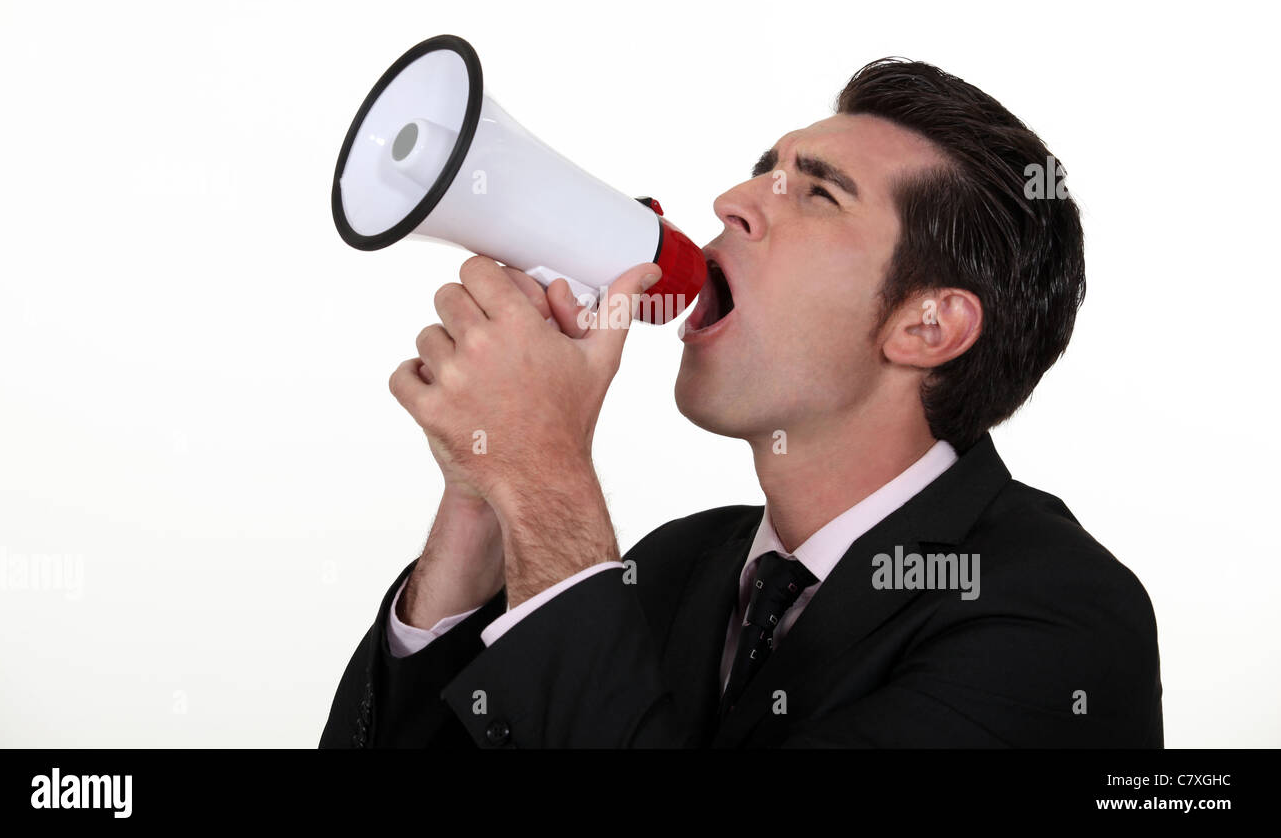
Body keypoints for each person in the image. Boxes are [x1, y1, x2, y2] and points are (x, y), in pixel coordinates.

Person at [320, 58, 1163, 748]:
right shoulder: (676, 570)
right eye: (768, 170)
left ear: (927, 324)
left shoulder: (1058, 618)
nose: (733, 200)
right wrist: (486, 489)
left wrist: (544, 475)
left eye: (819, 193)